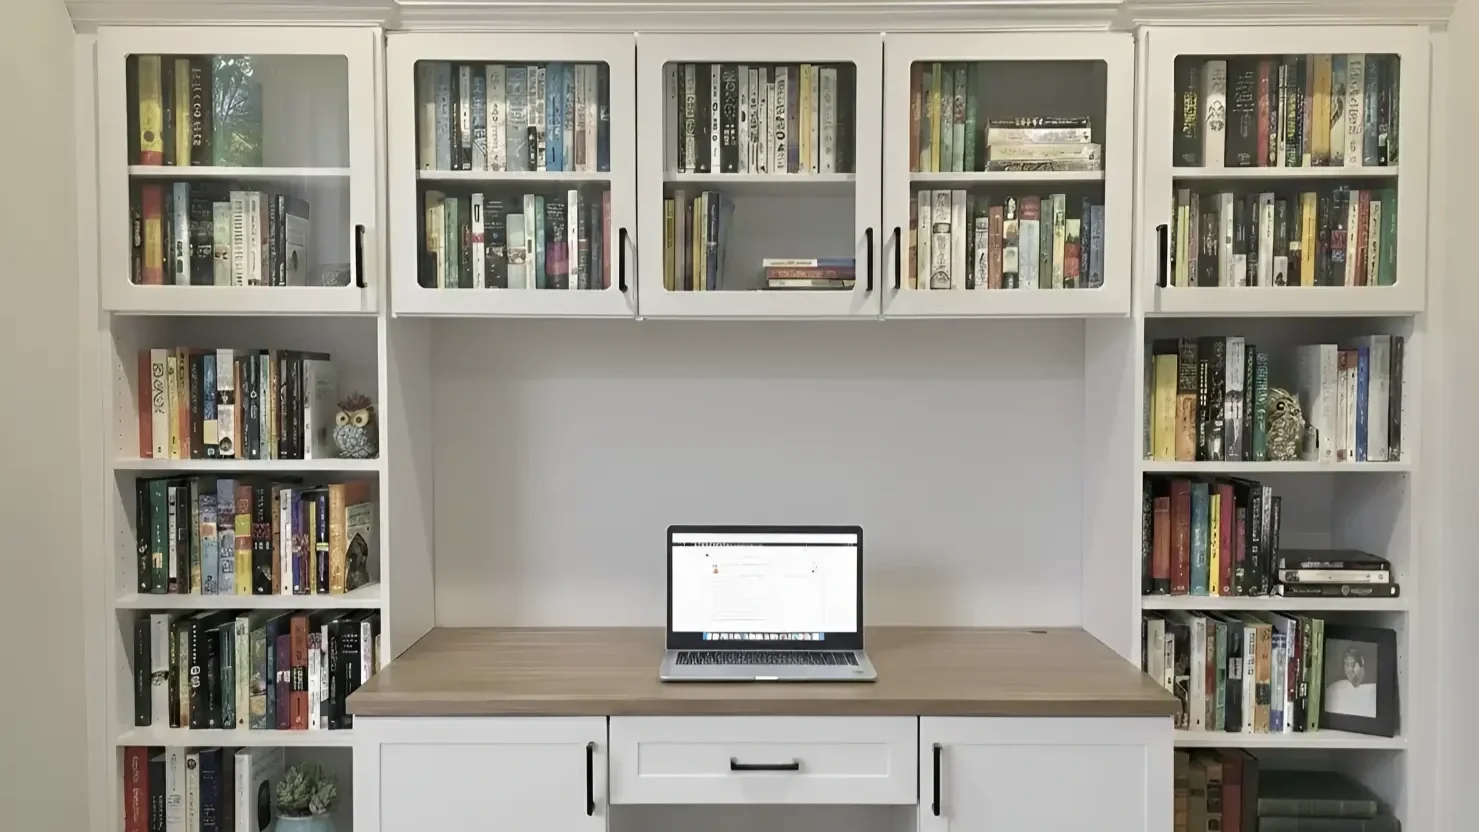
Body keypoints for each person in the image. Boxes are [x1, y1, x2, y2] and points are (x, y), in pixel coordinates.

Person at [1325, 645, 1377, 718]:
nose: (1349, 670)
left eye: (1353, 665)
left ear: (1362, 661)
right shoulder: (1338, 687)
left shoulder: (1374, 687)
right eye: (1346, 665)